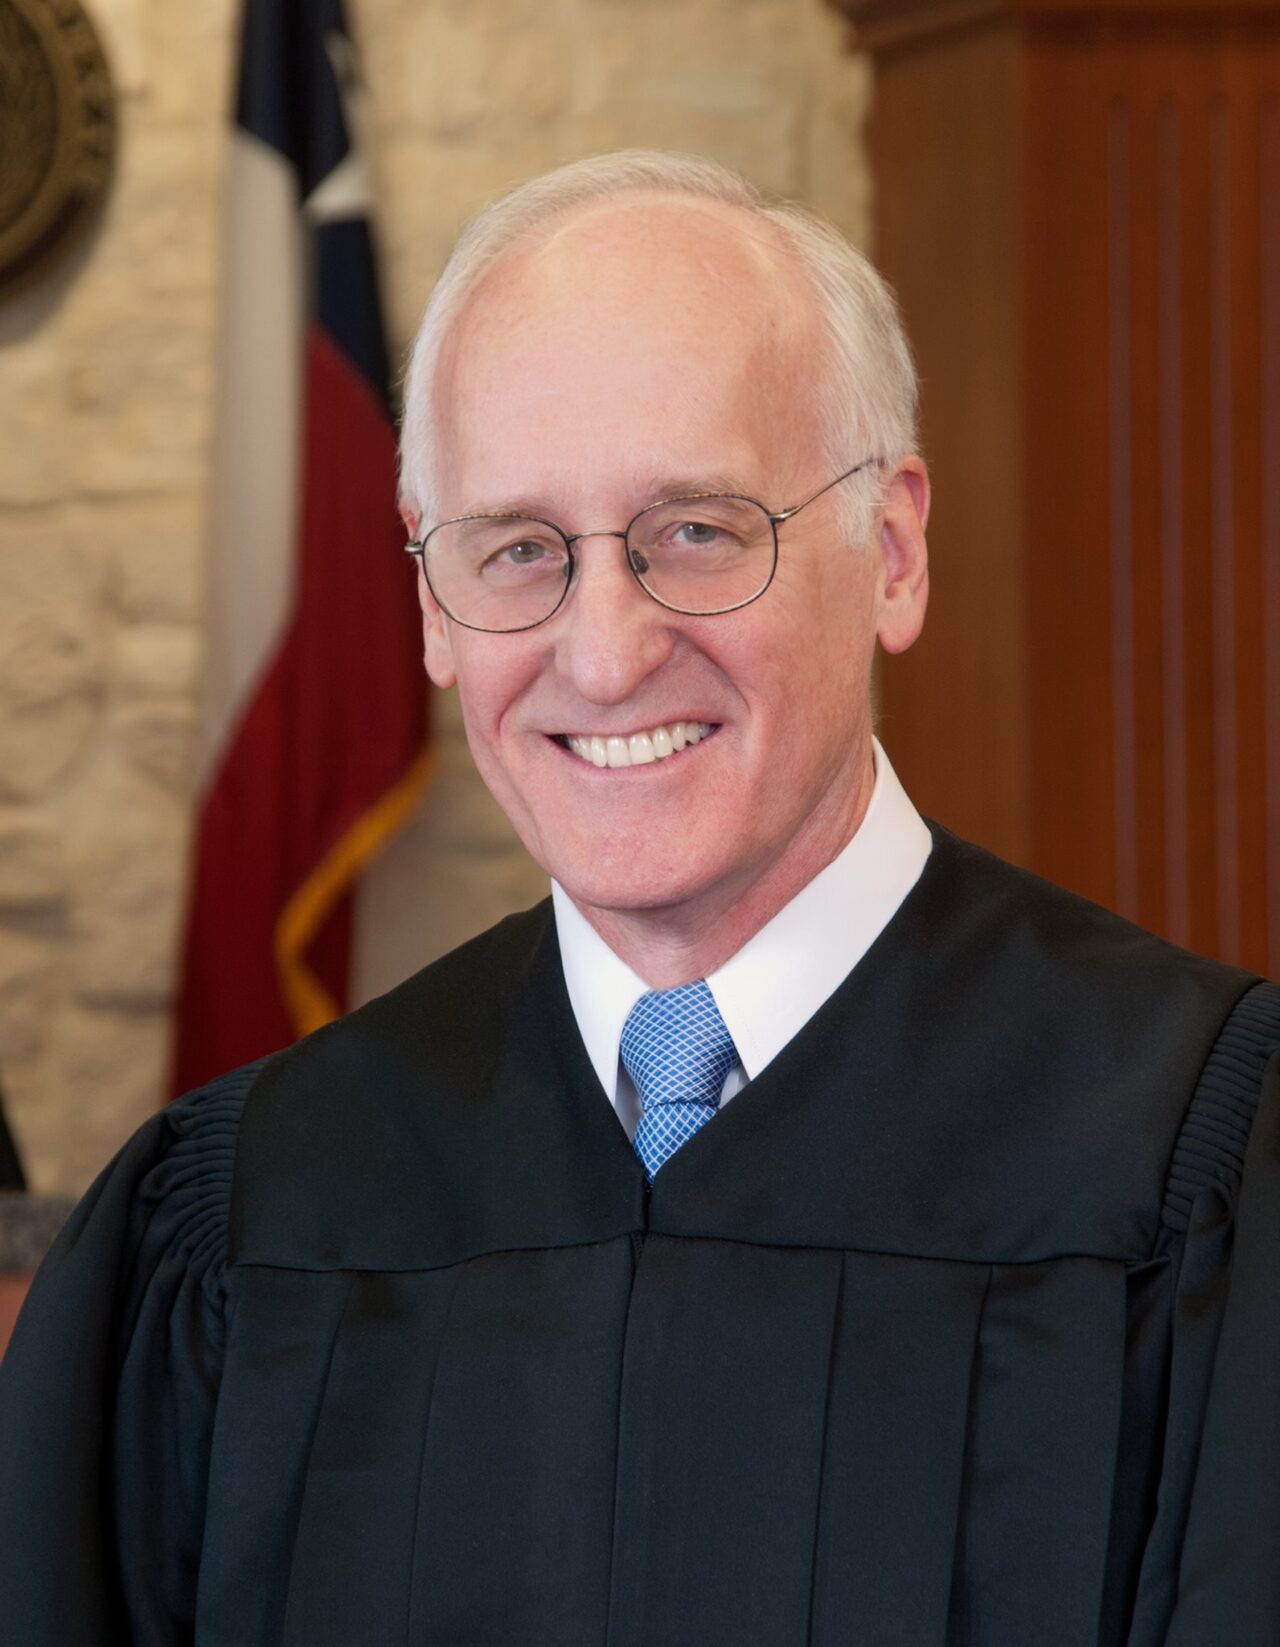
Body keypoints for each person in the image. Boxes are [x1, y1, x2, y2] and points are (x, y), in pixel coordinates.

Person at [1, 150, 1277, 1646]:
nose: (604, 655)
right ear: (432, 605)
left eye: (699, 531)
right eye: (516, 550)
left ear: (893, 551)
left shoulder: (1196, 1163)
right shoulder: (253, 1211)